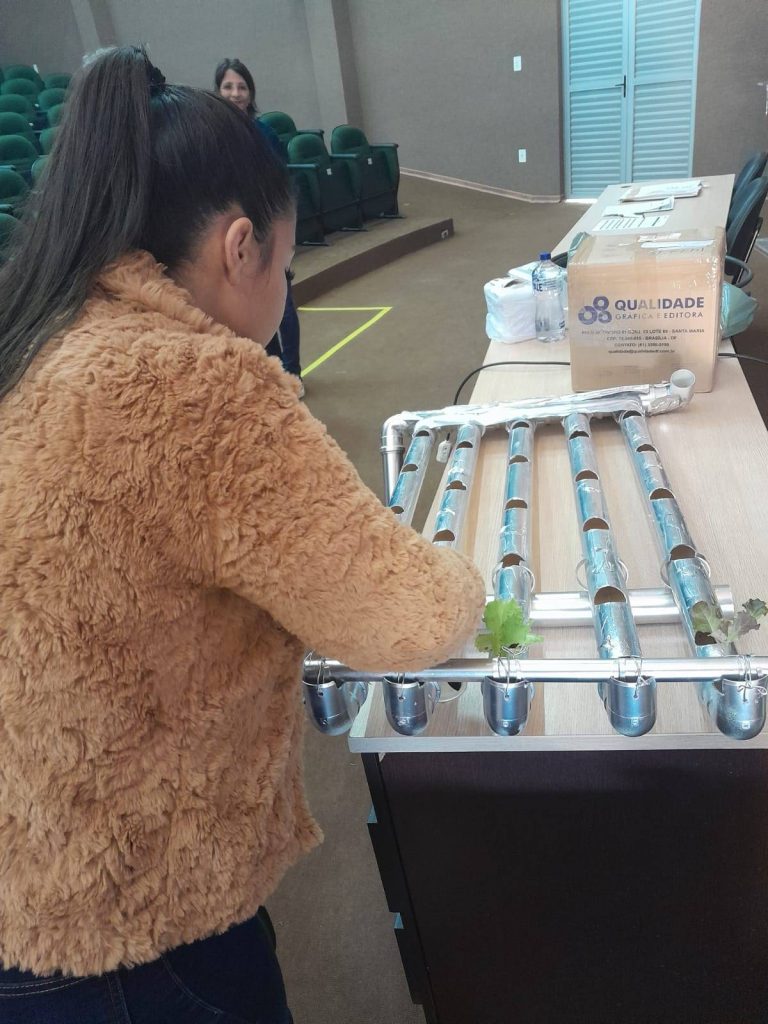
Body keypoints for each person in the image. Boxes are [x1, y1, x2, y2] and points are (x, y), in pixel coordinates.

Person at [0, 46, 485, 1023]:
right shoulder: (198, 386)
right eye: (287, 264)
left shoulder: (40, 337)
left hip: (32, 889)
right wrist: (462, 574)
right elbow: (405, 614)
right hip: (135, 931)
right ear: (239, 248)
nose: (285, 291)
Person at [215, 57, 304, 395]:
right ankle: (273, 371)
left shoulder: (265, 134)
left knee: (282, 305)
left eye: (241, 87)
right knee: (251, 308)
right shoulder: (211, 137)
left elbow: (283, 186)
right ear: (218, 91)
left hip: (268, 231)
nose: (235, 93)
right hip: (232, 238)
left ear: (250, 93)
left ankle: (293, 372)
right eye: (228, 86)